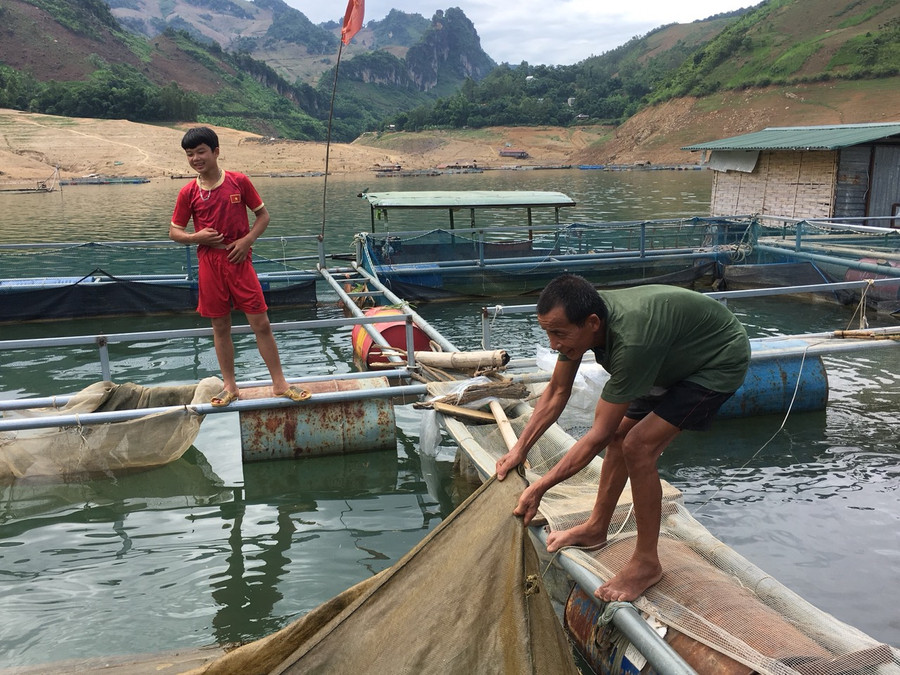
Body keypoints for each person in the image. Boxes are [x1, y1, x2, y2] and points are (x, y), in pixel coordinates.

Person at [496, 274, 750, 602]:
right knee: (620, 435)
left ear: (592, 323)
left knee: (638, 446)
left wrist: (540, 487)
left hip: (715, 361)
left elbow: (596, 436)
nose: (553, 344)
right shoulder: (580, 325)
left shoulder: (631, 343)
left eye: (558, 334)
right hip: (667, 358)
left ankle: (647, 563)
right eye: (548, 333)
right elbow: (558, 390)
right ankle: (596, 528)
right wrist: (519, 449)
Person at [169, 126, 309, 407]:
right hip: (209, 262)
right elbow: (175, 231)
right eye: (190, 154)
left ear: (216, 152)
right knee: (220, 326)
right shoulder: (188, 192)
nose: (196, 159)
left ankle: (279, 384)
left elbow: (263, 216)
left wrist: (247, 240)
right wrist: (196, 237)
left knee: (261, 323)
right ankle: (230, 386)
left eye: (201, 152)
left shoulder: (238, 181)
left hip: (239, 259)